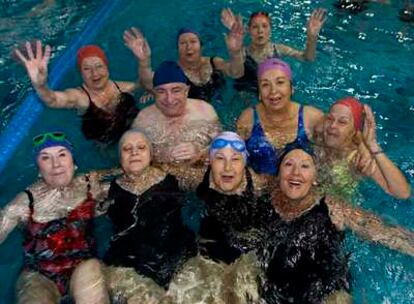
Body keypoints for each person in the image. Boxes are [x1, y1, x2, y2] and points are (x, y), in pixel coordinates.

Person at [258, 144, 414, 304]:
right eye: (288, 164)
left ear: (315, 179)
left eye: (305, 166)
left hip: (328, 294)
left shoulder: (333, 208)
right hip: (271, 293)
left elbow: (383, 232)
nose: (296, 173)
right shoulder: (264, 198)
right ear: (278, 174)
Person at [0, 131, 109, 304]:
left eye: (62, 155)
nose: (56, 164)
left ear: (73, 163)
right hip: (39, 275)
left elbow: (135, 175)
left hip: (84, 267)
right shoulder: (25, 202)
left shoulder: (90, 186)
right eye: (45, 158)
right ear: (38, 170)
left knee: (91, 282)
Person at [167, 132, 269, 303]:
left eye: (235, 159)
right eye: (220, 158)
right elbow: (158, 169)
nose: (227, 168)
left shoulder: (257, 184)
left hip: (245, 258)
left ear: (244, 163)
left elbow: (288, 182)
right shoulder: (197, 178)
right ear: (210, 161)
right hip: (205, 258)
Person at [99, 129, 197, 303]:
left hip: (176, 256)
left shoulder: (175, 178)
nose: (134, 152)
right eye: (127, 149)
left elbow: (211, 175)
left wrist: (199, 153)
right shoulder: (106, 189)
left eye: (141, 147)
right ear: (120, 158)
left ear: (151, 155)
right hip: (128, 263)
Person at [15, 40, 142, 143]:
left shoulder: (123, 87)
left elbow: (146, 85)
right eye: (87, 69)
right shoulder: (80, 97)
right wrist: (40, 85)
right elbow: (52, 100)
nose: (95, 73)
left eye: (99, 66)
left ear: (107, 68)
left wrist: (144, 61)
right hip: (106, 148)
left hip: (135, 136)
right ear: (81, 74)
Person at [237, 58, 323, 175]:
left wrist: (358, 146)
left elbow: (342, 138)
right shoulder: (248, 118)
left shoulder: (311, 117)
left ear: (292, 88)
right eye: (265, 85)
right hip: (259, 189)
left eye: (280, 82)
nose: (273, 91)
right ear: (259, 94)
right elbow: (235, 156)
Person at [123, 19, 245, 102]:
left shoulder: (214, 62)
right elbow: (148, 83)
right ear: (177, 49)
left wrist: (235, 52)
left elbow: (236, 73)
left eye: (193, 42)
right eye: (183, 43)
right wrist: (144, 62)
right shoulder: (172, 70)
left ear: (201, 46)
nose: (188, 47)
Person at [314, 96, 411, 200]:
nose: (332, 125)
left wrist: (373, 145)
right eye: (330, 119)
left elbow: (403, 194)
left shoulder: (358, 159)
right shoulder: (319, 136)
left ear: (354, 130)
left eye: (342, 122)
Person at [132, 60, 221, 165]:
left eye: (176, 90)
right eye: (161, 91)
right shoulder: (143, 120)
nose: (169, 99)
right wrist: (161, 156)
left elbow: (222, 148)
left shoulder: (205, 111)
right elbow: (132, 157)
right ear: (154, 93)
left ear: (186, 91)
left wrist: (200, 153)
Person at [221, 7, 327, 93]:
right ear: (248, 30)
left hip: (272, 95)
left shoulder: (279, 49)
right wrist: (235, 51)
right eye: (255, 27)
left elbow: (307, 59)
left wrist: (312, 38)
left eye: (264, 26)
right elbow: (234, 73)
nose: (260, 31)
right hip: (246, 95)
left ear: (270, 29)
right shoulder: (241, 52)